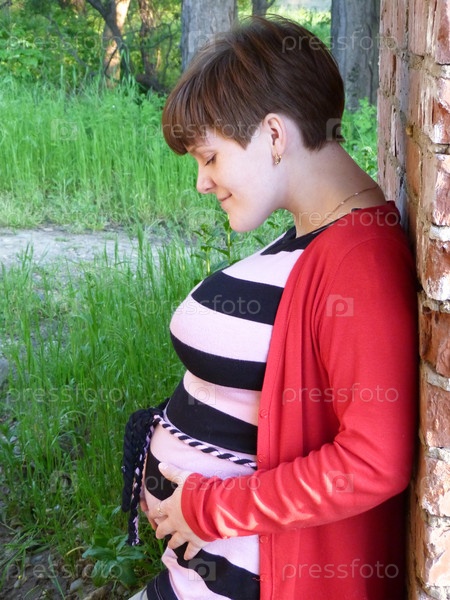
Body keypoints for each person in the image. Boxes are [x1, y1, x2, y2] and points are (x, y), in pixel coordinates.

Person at [121, 15, 418, 600]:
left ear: (274, 135)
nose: (202, 182)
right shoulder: (318, 234)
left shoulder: (359, 259)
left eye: (209, 157)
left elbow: (373, 461)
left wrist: (207, 507)